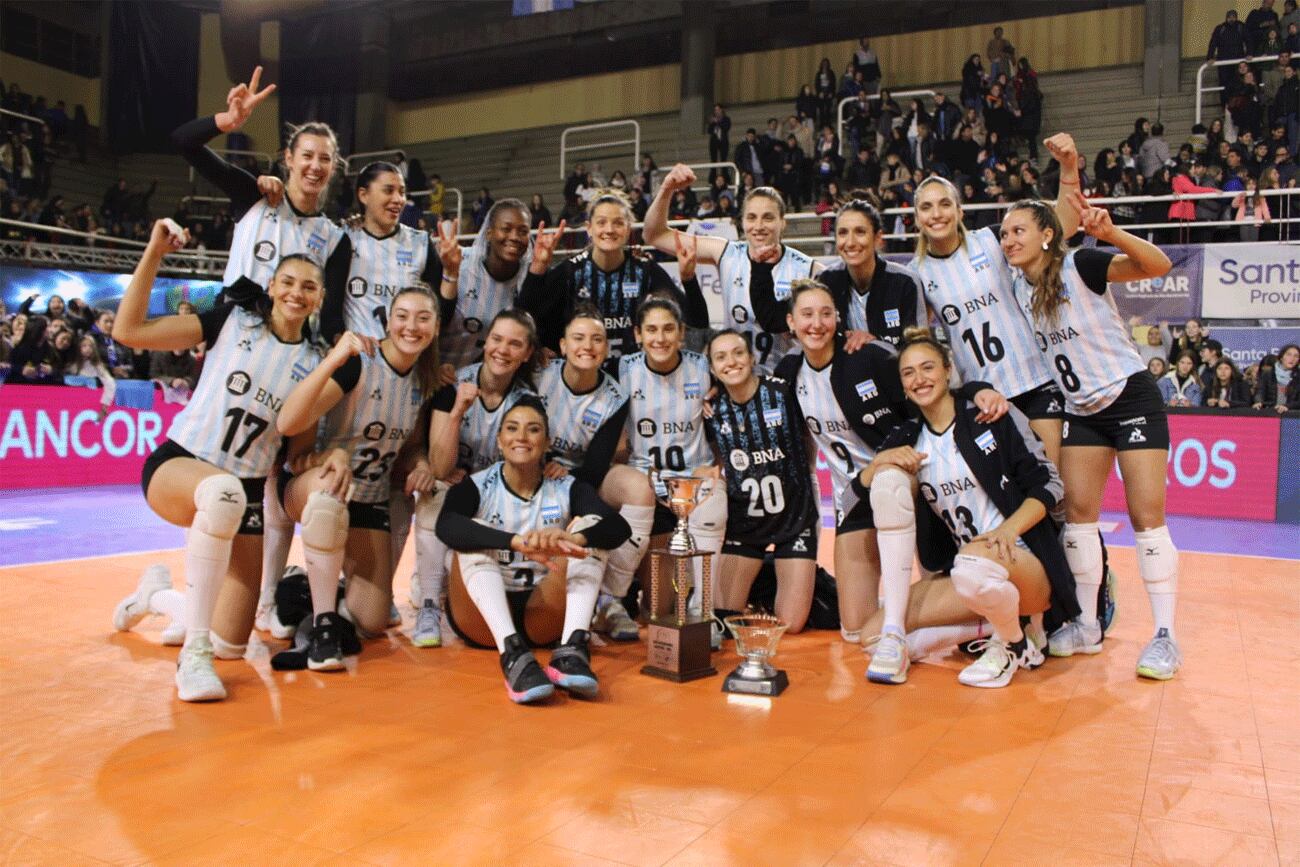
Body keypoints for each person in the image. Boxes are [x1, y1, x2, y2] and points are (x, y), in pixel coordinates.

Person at [110, 220, 323, 701]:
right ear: (271, 287)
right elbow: (129, 330)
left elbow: (296, 451)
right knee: (221, 494)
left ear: (319, 299)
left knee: (233, 642)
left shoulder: (316, 360)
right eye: (287, 282)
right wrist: (154, 253)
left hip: (246, 489)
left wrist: (329, 460)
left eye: (308, 286)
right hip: (181, 463)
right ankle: (193, 657)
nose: (296, 293)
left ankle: (158, 597)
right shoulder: (231, 319)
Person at [1004, 194, 1181, 680]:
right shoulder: (1019, 289)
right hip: (1082, 410)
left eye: (1018, 230)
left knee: (1147, 517)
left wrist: (1113, 234)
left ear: (1046, 234)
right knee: (1079, 517)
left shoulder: (1081, 263)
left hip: (1129, 398)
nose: (1008, 241)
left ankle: (1165, 636)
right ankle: (1084, 624)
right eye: (1003, 234)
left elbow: (1158, 264)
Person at [776, 280, 1001, 642]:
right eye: (806, 315)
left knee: (889, 486)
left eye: (825, 313)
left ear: (838, 318)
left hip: (908, 479)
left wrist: (977, 391)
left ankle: (965, 618)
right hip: (855, 492)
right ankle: (923, 621)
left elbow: (932, 391)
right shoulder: (789, 372)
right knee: (854, 631)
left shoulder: (868, 356)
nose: (816, 324)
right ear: (791, 322)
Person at [857, 329, 1080, 687]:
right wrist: (880, 462)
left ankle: (1015, 643)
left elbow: (1050, 485)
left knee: (973, 563)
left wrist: (1009, 530)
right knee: (873, 637)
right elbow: (858, 491)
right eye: (909, 373)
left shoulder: (989, 416)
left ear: (947, 370)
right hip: (968, 571)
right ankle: (998, 627)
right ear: (902, 386)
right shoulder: (910, 437)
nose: (919, 379)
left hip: (1023, 561)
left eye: (927, 367)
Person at [271, 287, 441, 669]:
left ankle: (299, 583)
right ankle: (323, 626)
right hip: (311, 483)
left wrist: (422, 462)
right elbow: (290, 425)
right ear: (388, 320)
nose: (411, 326)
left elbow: (411, 445)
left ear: (436, 326)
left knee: (372, 619)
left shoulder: (423, 380)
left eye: (422, 318)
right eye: (402, 316)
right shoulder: (359, 363)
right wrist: (326, 455)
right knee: (330, 494)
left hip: (370, 495)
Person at [435, 397, 631, 703]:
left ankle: (572, 651)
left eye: (533, 429)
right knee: (470, 533)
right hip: (481, 621)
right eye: (512, 429)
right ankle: (512, 654)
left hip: (541, 611)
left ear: (547, 442)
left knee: (591, 528)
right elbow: (445, 526)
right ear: (499, 441)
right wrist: (515, 542)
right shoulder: (477, 485)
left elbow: (619, 528)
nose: (522, 437)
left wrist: (573, 540)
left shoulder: (567, 486)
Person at [909, 140, 1082, 469]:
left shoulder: (991, 240)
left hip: (1036, 382)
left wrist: (1069, 168)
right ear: (916, 217)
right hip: (983, 396)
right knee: (1013, 495)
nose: (936, 214)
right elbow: (917, 341)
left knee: (1051, 485)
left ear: (960, 210)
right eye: (926, 207)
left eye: (945, 204)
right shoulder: (916, 275)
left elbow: (1063, 228)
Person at [409, 308, 540, 647]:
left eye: (514, 344)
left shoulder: (526, 401)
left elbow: (521, 467)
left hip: (492, 494)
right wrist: (456, 415)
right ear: (485, 343)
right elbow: (439, 466)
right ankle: (428, 606)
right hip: (454, 488)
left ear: (527, 354)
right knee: (432, 489)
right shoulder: (454, 385)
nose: (502, 350)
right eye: (497, 340)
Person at [170, 67, 349, 297]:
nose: (315, 166)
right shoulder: (255, 195)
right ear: (289, 158)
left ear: (333, 168)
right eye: (307, 155)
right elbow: (183, 142)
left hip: (291, 333)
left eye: (325, 159)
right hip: (232, 327)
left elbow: (329, 317)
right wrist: (227, 121)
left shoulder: (332, 237)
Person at [530, 307, 650, 642]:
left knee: (638, 489)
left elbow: (597, 465)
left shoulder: (614, 395)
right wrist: (542, 463)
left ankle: (611, 599)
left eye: (597, 339)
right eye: (579, 338)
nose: (588, 345)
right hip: (533, 467)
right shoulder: (540, 375)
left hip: (581, 474)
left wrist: (569, 483)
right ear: (563, 345)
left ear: (606, 347)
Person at [615, 298, 727, 630]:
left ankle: (703, 608)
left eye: (668, 329)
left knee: (663, 612)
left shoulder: (704, 368)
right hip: (646, 482)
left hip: (693, 478)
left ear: (681, 333)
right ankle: (612, 600)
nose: (660, 338)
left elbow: (739, 391)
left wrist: (719, 461)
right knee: (655, 613)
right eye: (651, 330)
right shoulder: (622, 370)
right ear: (638, 334)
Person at [644, 165, 814, 374]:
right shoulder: (725, 252)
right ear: (742, 222)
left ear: (783, 223)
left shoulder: (808, 267)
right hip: (736, 378)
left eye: (768, 218)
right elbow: (654, 235)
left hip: (788, 382)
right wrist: (667, 189)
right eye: (751, 217)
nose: (758, 226)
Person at [705, 330, 819, 632]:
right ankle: (764, 575)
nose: (731, 362)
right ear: (713, 370)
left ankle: (789, 574)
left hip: (794, 519)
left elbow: (810, 439)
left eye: (738, 353)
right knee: (724, 617)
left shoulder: (783, 393)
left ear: (752, 358)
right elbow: (716, 457)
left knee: (791, 624)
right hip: (746, 525)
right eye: (721, 357)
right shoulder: (711, 409)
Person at [517, 190, 707, 358]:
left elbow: (697, 320)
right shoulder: (571, 271)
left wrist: (689, 279)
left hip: (633, 381)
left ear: (628, 229)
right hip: (582, 380)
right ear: (589, 228)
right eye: (601, 222)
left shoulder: (644, 270)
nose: (609, 230)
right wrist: (538, 268)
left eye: (618, 223)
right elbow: (525, 314)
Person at [818, 199, 926, 347]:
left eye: (860, 232)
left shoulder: (905, 282)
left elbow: (919, 349)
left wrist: (875, 345)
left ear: (878, 238)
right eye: (843, 233)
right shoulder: (825, 282)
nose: (850, 242)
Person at [439, 199, 532, 370]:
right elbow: (433, 321)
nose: (514, 237)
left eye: (522, 231)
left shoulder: (529, 280)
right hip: (436, 373)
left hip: (480, 384)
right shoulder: (458, 262)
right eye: (506, 229)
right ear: (489, 233)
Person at [1254, 343, 1300, 410]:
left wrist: (1287, 406)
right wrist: (1258, 401)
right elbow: (1260, 392)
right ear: (1281, 357)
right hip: (1270, 412)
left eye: (1296, 356)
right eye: (1288, 354)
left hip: (1291, 415)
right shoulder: (1268, 373)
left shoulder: (1298, 376)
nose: (1292, 358)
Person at [708, 104, 731, 169]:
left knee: (724, 160)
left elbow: (726, 128)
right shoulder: (713, 120)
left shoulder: (726, 119)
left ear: (721, 110)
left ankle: (724, 176)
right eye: (715, 110)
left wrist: (718, 122)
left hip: (723, 142)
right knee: (713, 161)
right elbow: (709, 131)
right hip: (714, 142)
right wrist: (712, 123)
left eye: (718, 110)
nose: (716, 111)